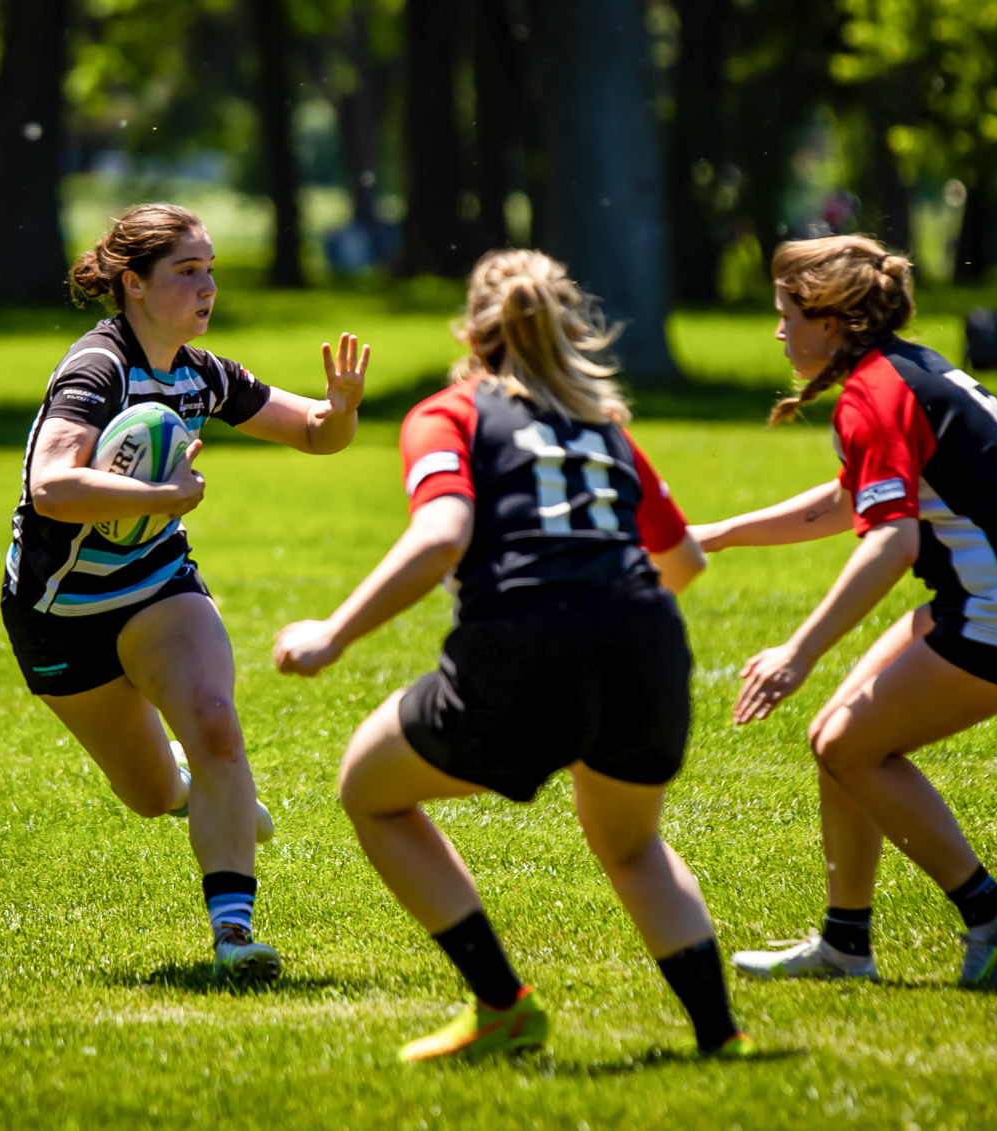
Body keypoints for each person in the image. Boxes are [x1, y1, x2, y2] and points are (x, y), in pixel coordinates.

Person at [271, 249, 756, 1062]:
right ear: (570, 326)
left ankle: (502, 1004)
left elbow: (441, 536)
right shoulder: (603, 424)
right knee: (633, 846)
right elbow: (684, 564)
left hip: (526, 645)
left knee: (370, 786)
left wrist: (335, 632)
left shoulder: (448, 412)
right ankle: (720, 1035)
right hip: (647, 644)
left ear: (471, 330)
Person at [691, 235, 997, 987]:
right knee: (837, 736)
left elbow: (890, 544)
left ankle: (991, 913)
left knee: (848, 743)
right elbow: (854, 497)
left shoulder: (873, 393)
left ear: (835, 320)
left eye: (787, 314)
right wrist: (721, 533)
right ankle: (845, 944)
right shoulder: (894, 370)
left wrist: (799, 651)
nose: (778, 331)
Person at [0, 202, 370, 980]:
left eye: (211, 271)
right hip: (57, 611)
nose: (207, 288)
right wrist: (163, 499)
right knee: (145, 790)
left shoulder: (201, 373)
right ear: (134, 284)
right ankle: (192, 790)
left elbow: (310, 431)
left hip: (158, 585)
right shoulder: (96, 368)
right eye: (187, 272)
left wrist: (339, 412)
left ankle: (233, 935)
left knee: (215, 723)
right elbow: (52, 487)